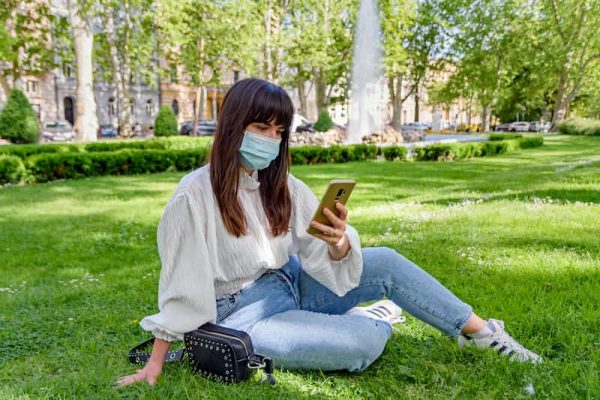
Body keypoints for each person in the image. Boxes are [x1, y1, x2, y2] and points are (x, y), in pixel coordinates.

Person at [117, 78, 541, 388]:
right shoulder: (194, 196)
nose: (271, 140)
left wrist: (338, 242)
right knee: (360, 345)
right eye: (261, 128)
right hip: (243, 315)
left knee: (387, 260)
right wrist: (155, 363)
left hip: (291, 280)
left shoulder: (280, 185)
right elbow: (182, 286)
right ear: (234, 126)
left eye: (279, 131)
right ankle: (367, 317)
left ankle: (483, 333)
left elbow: (317, 252)